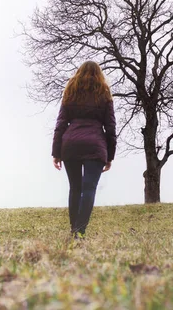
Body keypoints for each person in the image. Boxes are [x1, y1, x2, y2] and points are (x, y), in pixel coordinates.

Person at [51, 61, 117, 240]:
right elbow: (110, 127)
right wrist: (110, 155)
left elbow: (60, 125)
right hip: (95, 145)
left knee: (74, 188)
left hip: (70, 144)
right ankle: (80, 231)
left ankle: (75, 231)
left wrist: (56, 152)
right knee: (89, 189)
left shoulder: (70, 92)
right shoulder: (104, 94)